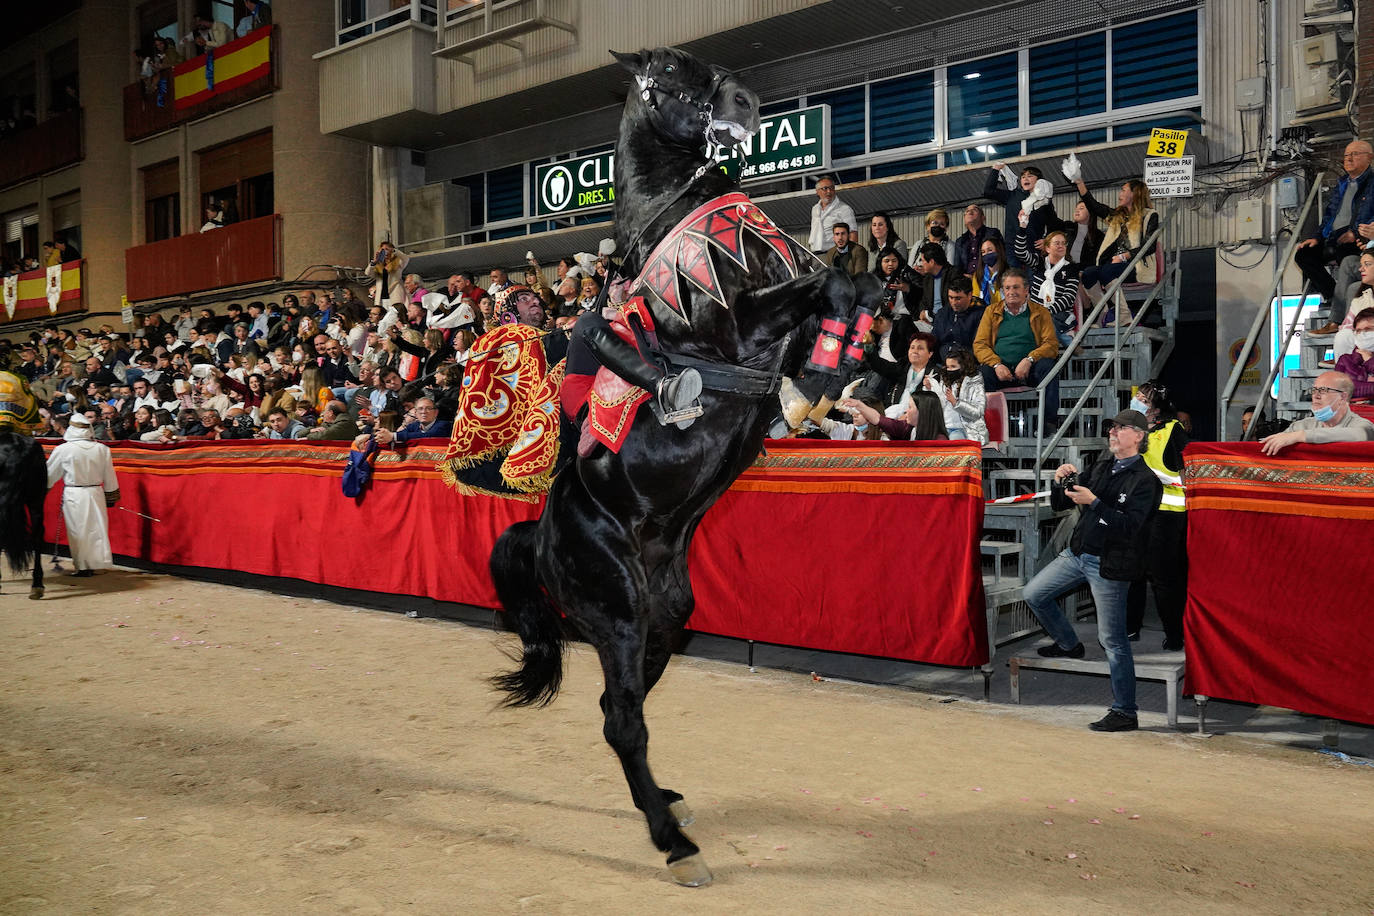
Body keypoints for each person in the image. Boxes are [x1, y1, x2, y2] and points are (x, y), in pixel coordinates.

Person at [1024, 409, 1162, 732]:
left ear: (1138, 436)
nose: (1112, 433)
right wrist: (1061, 481)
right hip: (1078, 554)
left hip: (1109, 565)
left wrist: (1096, 502)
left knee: (1112, 640)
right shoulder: (1102, 466)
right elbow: (1062, 502)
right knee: (1034, 594)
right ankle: (1069, 643)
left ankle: (1126, 711)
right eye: (1111, 428)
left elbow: (1130, 528)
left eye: (1120, 428)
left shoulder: (1146, 481)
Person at [1124, 381, 1189, 651]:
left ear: (1155, 407)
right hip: (1136, 512)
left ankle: (1175, 634)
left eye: (1144, 398)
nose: (1137, 400)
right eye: (1137, 396)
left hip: (1167, 515)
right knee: (1131, 573)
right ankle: (1130, 628)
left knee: (1165, 579)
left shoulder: (1173, 431)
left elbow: (1187, 472)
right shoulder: (1130, 429)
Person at [1296, 140, 1374, 324]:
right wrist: (1316, 237)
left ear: (1369, 158)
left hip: (1356, 237)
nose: (1349, 158)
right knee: (1303, 255)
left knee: (1344, 254)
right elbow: (1330, 213)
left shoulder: (1372, 183)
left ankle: (1345, 305)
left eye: (1355, 154)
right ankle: (1332, 296)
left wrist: (1355, 233)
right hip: (1332, 235)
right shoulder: (1341, 184)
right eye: (1346, 155)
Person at [973, 268, 1060, 429]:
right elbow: (980, 345)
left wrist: (1030, 359)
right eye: (1007, 288)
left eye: (1016, 287)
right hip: (999, 370)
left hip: (1030, 370)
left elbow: (1051, 345)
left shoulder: (1041, 312)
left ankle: (1049, 424)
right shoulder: (990, 312)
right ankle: (990, 427)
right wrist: (996, 364)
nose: (1011, 292)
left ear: (1026, 290)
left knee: (1048, 367)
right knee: (982, 373)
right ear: (1002, 291)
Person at [45, 414, 120, 577]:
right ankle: (93, 563)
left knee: (77, 530)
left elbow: (50, 474)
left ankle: (83, 566)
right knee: (96, 529)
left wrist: (42, 489)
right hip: (96, 493)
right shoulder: (102, 449)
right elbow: (109, 475)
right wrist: (111, 496)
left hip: (75, 493)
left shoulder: (63, 449)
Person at [1073, 176, 1159, 297]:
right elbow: (1093, 205)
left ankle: (1122, 312)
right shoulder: (1117, 216)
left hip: (1135, 266)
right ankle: (1103, 309)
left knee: (1107, 271)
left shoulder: (1149, 215)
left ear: (1134, 194)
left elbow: (1150, 246)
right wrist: (1079, 182)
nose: (1120, 193)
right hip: (1112, 265)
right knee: (1088, 273)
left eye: (1124, 190)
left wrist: (1124, 256)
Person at [1260, 371, 1374, 454]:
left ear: (1343, 397)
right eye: (1314, 390)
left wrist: (1302, 435)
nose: (1316, 396)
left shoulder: (1363, 426)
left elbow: (1359, 435)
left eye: (1323, 390)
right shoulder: (1301, 426)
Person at [983, 162, 1056, 267]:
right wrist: (996, 169)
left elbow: (1054, 223)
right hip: (1012, 247)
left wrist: (1047, 240)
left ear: (1039, 181)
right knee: (1013, 278)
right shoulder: (1012, 196)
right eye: (1023, 177)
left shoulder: (1044, 201)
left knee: (1033, 279)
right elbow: (988, 191)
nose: (1026, 179)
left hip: (1033, 247)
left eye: (1030, 176)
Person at [1021, 229, 1083, 346]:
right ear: (1047, 248)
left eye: (1063, 243)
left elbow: (1069, 297)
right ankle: (1065, 342)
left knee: (1045, 323)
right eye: (1057, 243)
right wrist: (1022, 228)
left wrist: (1046, 312)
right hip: (1035, 313)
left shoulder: (1072, 268)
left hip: (1059, 315)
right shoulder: (1038, 263)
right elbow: (1020, 252)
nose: (1061, 246)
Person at [930, 345, 987, 446]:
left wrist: (956, 403)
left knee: (954, 445)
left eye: (953, 367)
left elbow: (978, 412)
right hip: (943, 428)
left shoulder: (975, 383)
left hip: (966, 430)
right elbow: (938, 405)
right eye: (947, 367)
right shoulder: (944, 380)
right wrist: (930, 387)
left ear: (963, 366)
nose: (949, 370)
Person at [841, 390, 947, 441]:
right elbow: (878, 419)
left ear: (923, 411)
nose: (906, 411)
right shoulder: (907, 429)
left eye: (910, 407)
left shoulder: (940, 440)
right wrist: (859, 405)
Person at [931, 276, 985, 355]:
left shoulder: (982, 315)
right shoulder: (943, 313)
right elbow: (934, 340)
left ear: (969, 295)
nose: (954, 302)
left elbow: (979, 347)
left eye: (958, 298)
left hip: (967, 361)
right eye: (951, 297)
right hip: (942, 360)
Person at [807, 175, 857, 255]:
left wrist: (849, 256)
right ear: (817, 191)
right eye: (825, 188)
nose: (829, 191)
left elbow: (853, 233)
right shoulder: (815, 209)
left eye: (831, 188)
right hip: (816, 254)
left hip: (836, 253)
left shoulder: (844, 209)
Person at [1333, 306, 1374, 400]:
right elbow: (1340, 389)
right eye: (1358, 330)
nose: (1363, 334)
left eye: (1368, 329)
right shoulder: (1345, 360)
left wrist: (1370, 361)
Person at [374, 397, 451, 446]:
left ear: (436, 412)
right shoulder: (414, 425)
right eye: (420, 409)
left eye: (428, 408)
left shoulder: (444, 425)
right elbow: (400, 434)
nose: (424, 412)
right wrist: (372, 437)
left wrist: (393, 436)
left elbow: (427, 436)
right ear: (416, 413)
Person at [952, 204, 1002, 278]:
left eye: (974, 210)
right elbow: (957, 267)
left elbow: (1001, 258)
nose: (970, 212)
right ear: (964, 220)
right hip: (967, 282)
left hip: (989, 279)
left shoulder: (993, 233)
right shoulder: (960, 241)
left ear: (983, 218)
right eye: (967, 211)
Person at [970, 237, 1008, 311]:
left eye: (990, 250)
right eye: (983, 252)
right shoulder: (978, 275)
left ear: (998, 250)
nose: (986, 254)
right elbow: (976, 299)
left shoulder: (1009, 275)